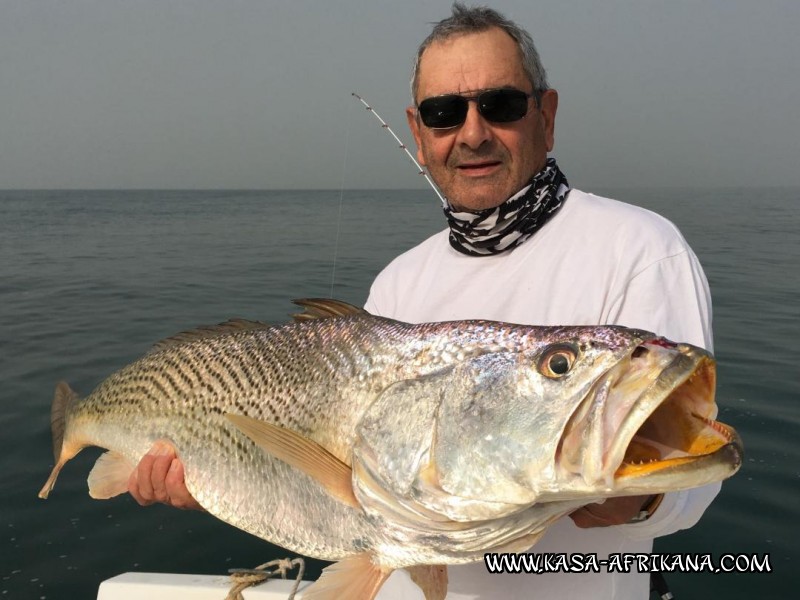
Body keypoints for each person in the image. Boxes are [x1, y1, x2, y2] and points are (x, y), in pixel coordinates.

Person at [130, 4, 720, 598]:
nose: (472, 133)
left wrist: (637, 493)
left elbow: (694, 481)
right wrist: (214, 475)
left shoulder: (639, 248)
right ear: (418, 133)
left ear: (547, 114)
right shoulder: (399, 281)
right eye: (444, 114)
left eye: (501, 105)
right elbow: (345, 492)